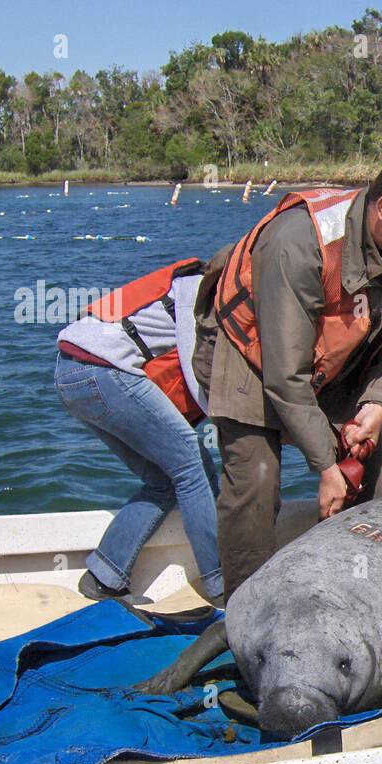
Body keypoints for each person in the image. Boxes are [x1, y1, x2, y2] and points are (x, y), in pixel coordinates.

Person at [194, 150, 382, 601]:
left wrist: (375, 405)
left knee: (366, 456)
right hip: (251, 354)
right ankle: (244, 607)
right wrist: (325, 466)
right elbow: (284, 375)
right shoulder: (300, 241)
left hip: (339, 356)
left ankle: (353, 592)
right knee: (255, 480)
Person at [54, 258, 223, 604]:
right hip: (101, 370)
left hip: (70, 372)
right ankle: (222, 584)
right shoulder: (196, 288)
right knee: (192, 467)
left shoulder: (194, 286)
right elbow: (195, 371)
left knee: (163, 479)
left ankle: (105, 576)